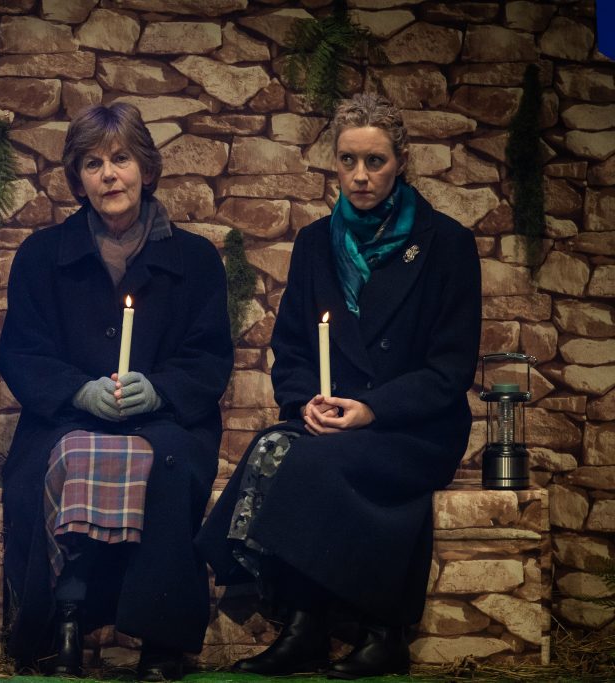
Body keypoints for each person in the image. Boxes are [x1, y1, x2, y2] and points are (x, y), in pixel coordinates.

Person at [197, 93, 482, 679]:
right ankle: (302, 627)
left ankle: (382, 630)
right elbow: (293, 350)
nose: (360, 175)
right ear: (334, 162)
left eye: (374, 161)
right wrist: (306, 403)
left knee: (317, 465)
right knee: (274, 447)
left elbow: (450, 370)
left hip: (415, 427)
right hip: (330, 419)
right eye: (348, 160)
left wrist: (371, 409)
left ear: (401, 160)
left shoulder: (446, 244)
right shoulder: (313, 244)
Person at [0, 103, 233, 681]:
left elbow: (208, 356)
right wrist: (77, 392)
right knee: (67, 456)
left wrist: (159, 390)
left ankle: (160, 640)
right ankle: (62, 625)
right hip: (65, 419)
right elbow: (21, 353)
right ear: (77, 178)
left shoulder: (197, 258)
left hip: (166, 419)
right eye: (93, 163)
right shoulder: (39, 256)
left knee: (165, 466)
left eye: (121, 159)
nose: (109, 175)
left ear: (146, 169)